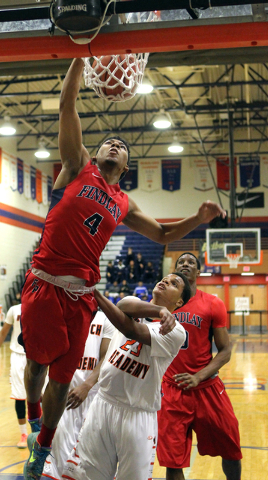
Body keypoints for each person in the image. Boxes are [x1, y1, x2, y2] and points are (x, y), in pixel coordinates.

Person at [21, 56, 225, 480]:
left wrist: (197, 220)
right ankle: (36, 420)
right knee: (37, 365)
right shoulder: (77, 168)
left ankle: (41, 450)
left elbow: (164, 236)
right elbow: (66, 106)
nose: (114, 144)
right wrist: (80, 58)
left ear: (127, 166)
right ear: (95, 153)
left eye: (122, 146)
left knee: (61, 376)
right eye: (109, 142)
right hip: (43, 280)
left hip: (79, 293)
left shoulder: (123, 202)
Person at [65, 272, 190, 480]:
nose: (166, 281)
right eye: (165, 278)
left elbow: (131, 330)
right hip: (102, 405)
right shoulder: (133, 304)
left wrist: (93, 292)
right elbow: (123, 305)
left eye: (174, 283)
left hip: (137, 414)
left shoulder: (176, 332)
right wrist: (160, 309)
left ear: (179, 301)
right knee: (86, 476)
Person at [157, 252, 242, 480]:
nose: (185, 264)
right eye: (180, 262)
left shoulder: (213, 303)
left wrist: (198, 376)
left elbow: (225, 351)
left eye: (190, 262)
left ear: (198, 272)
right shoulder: (159, 306)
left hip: (207, 388)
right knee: (173, 462)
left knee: (232, 448)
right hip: (173, 390)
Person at [42, 310, 115, 480]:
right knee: (58, 465)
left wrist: (87, 385)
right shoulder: (61, 312)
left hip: (94, 396)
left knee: (92, 463)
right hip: (62, 395)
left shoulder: (105, 318)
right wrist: (46, 389)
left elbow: (108, 356)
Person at [0, 304, 28, 448]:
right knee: (19, 395)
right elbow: (3, 333)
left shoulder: (42, 306)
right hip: (17, 355)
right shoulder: (14, 309)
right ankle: (24, 434)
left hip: (37, 356)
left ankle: (41, 432)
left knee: (41, 396)